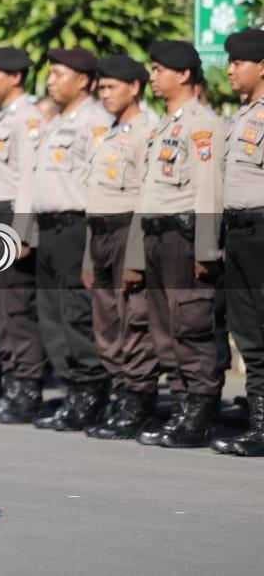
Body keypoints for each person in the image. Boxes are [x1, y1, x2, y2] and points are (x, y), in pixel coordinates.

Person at [125, 41, 224, 449]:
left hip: (183, 239)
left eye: (159, 69)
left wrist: (205, 249)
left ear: (184, 74)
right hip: (155, 235)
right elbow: (146, 195)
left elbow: (208, 191)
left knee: (191, 325)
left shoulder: (203, 125)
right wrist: (135, 255)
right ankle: (182, 408)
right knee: (164, 329)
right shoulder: (163, 127)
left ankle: (198, 414)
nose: (153, 76)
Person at [16, 48, 114, 431]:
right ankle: (72, 387)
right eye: (51, 73)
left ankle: (91, 390)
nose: (51, 80)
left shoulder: (96, 122)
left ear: (84, 81)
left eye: (59, 74)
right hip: (49, 228)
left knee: (76, 312)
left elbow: (96, 186)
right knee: (51, 314)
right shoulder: (54, 121)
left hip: (77, 227)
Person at [81, 55, 159, 440]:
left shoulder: (149, 130)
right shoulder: (108, 131)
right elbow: (94, 197)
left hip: (129, 230)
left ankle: (138, 401)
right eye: (102, 87)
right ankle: (119, 393)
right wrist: (86, 257)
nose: (104, 94)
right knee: (107, 323)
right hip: (99, 234)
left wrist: (137, 257)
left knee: (135, 321)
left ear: (135, 87)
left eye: (112, 87)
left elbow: (148, 196)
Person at [0, 47, 46, 424]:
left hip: (11, 218)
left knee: (16, 309)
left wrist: (22, 233)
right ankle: (11, 383)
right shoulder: (2, 119)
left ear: (15, 77)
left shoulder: (27, 119)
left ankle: (27, 388)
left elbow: (29, 179)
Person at [211, 29, 264, 456]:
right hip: (239, 232)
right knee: (249, 335)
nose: (230, 69)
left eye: (239, 62)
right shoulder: (241, 115)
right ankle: (259, 424)